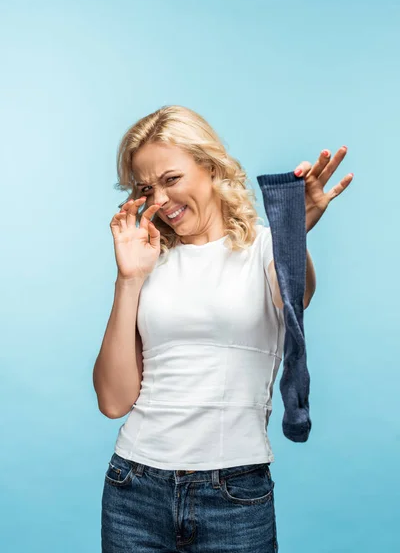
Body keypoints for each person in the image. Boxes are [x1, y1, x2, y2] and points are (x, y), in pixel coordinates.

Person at [93, 105, 352, 552]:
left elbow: (296, 297)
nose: (159, 200)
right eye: (145, 187)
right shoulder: (149, 260)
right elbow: (114, 401)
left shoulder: (267, 248)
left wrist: (293, 232)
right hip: (133, 486)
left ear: (211, 168)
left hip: (234, 494)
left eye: (171, 179)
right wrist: (128, 279)